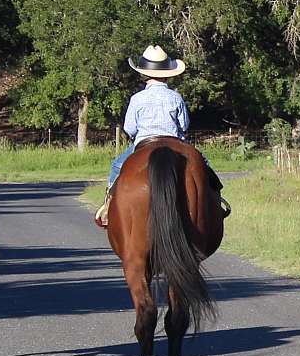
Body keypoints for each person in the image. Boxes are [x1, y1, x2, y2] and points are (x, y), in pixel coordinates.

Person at [95, 45, 223, 227]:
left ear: (144, 74)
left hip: (144, 142)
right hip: (175, 142)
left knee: (116, 166)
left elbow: (129, 128)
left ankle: (108, 206)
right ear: (168, 74)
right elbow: (184, 125)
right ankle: (215, 202)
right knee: (204, 165)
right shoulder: (175, 97)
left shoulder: (137, 98)